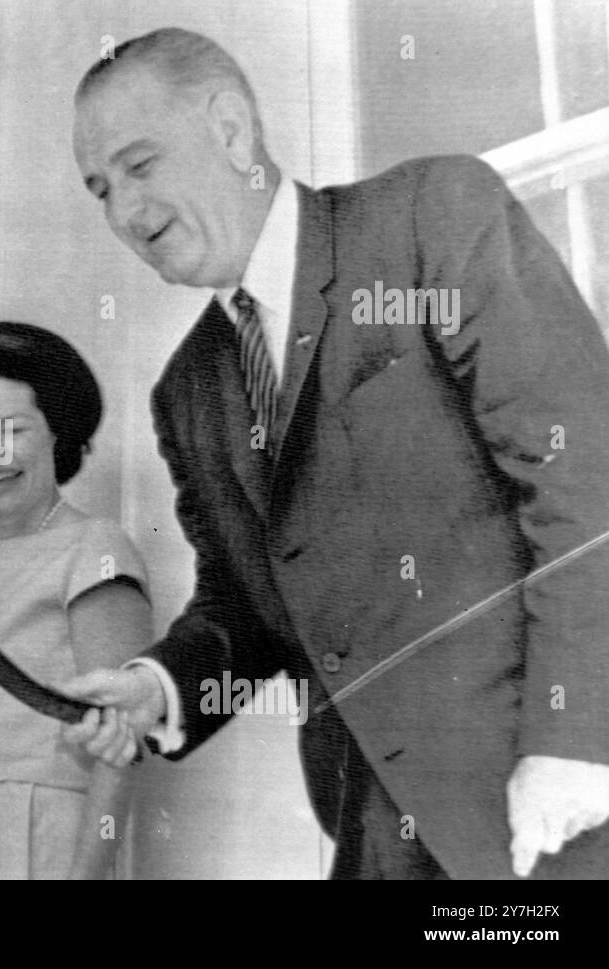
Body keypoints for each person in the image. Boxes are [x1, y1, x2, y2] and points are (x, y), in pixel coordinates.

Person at [62, 27, 609, 879]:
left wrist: (577, 743)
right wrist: (160, 685)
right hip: (373, 838)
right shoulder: (188, 391)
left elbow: (587, 477)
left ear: (232, 130)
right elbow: (249, 601)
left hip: (552, 810)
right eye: (100, 190)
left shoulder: (432, 215)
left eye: (140, 165)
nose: (125, 215)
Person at [0, 321, 152, 879]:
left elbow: (120, 745)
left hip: (49, 833)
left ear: (57, 434)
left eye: (13, 430)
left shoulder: (98, 547)